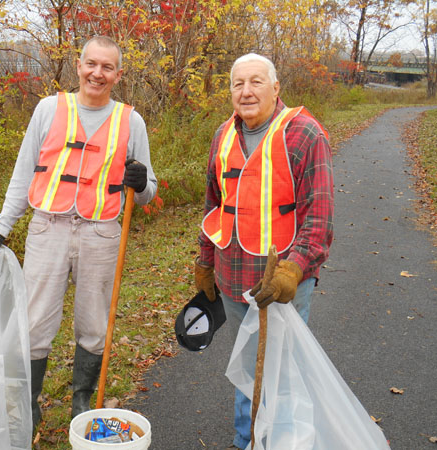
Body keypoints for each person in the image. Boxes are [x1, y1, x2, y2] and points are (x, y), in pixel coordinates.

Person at [0, 36, 157, 430]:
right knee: (35, 322)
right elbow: (24, 174)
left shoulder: (132, 120)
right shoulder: (48, 109)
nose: (98, 73)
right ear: (78, 66)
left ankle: (81, 403)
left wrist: (141, 182)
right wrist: (1, 228)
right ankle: (30, 407)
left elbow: (147, 193)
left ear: (118, 75)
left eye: (107, 67)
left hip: (102, 233)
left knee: (94, 324)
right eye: (91, 64)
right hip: (48, 228)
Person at [194, 53, 334, 449]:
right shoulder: (223, 134)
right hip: (232, 279)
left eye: (256, 82)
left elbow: (319, 218)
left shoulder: (306, 134)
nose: (246, 91)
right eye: (238, 84)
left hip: (281, 286)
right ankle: (248, 442)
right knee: (246, 370)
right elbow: (214, 205)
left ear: (276, 89)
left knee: (283, 376)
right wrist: (205, 261)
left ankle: (285, 443)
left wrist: (294, 270)